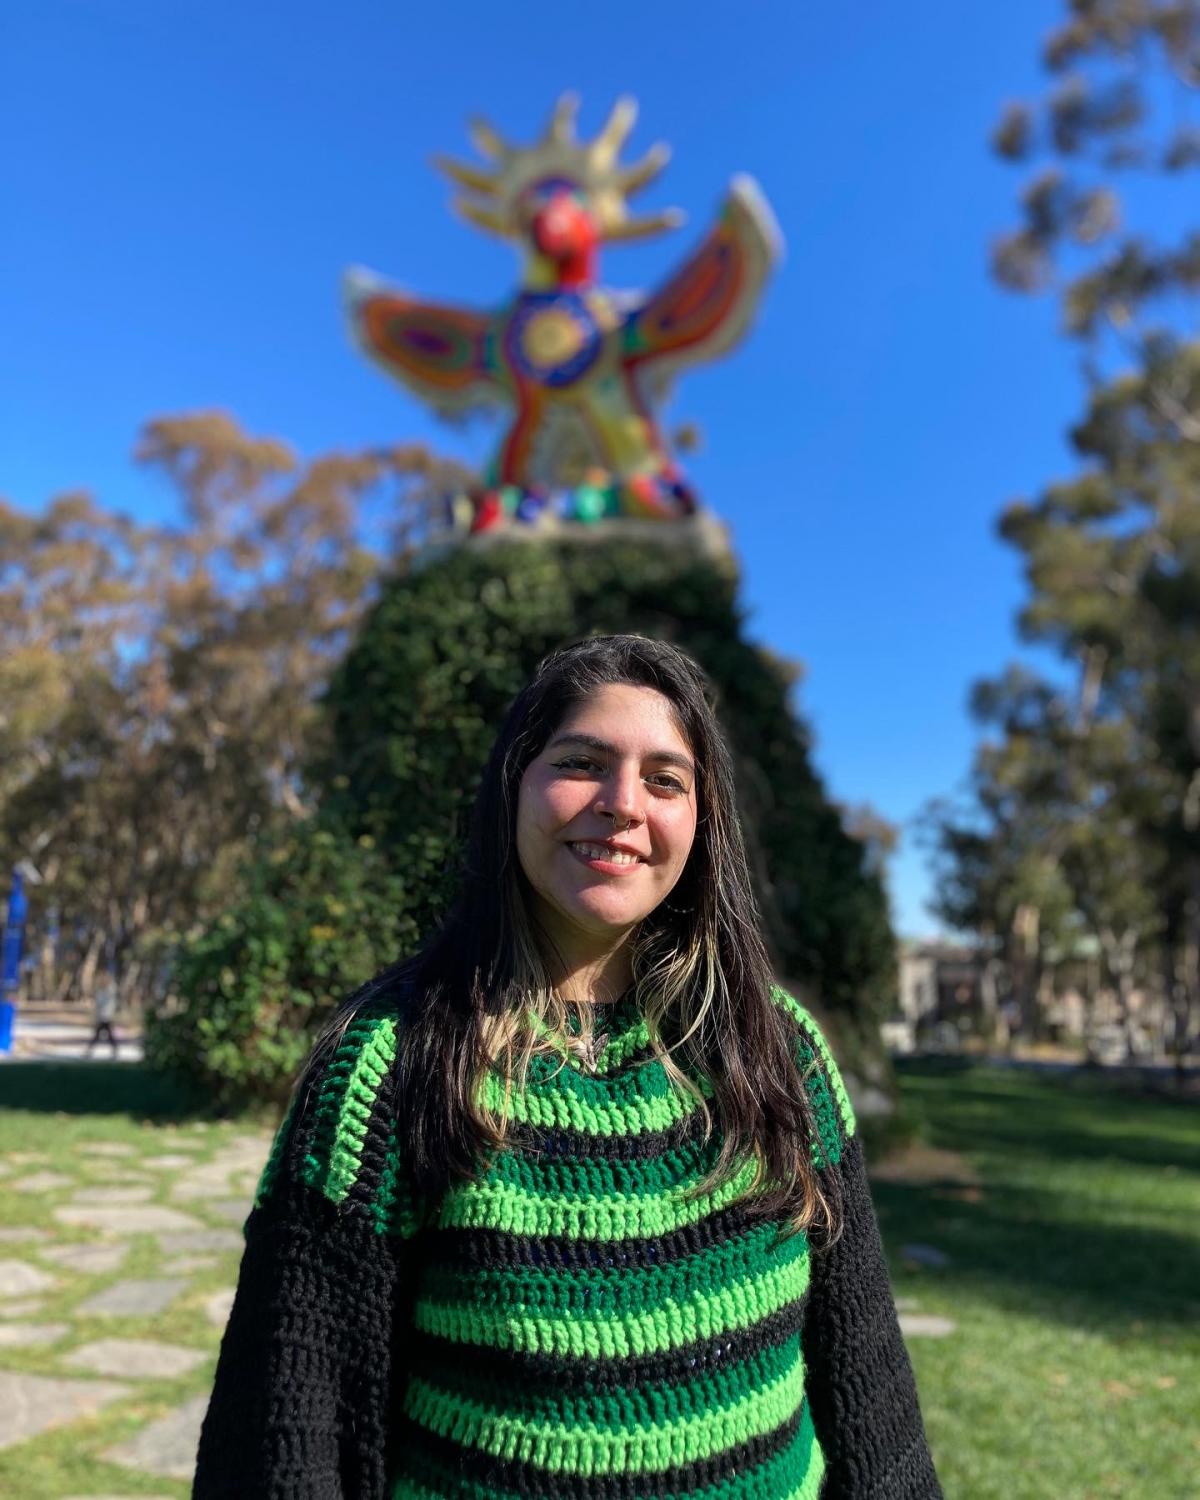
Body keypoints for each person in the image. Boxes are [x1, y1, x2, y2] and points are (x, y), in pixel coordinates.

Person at [193, 634, 941, 1499]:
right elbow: (283, 1428)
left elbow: (870, 1386)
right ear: (514, 785)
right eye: (582, 763)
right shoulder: (391, 1060)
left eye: (666, 779)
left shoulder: (779, 1050)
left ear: (703, 824)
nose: (623, 804)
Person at [86, 969, 119, 1059]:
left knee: (103, 1036)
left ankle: (89, 1051)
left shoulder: (110, 990)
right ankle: (90, 1051)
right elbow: (98, 1004)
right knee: (101, 1036)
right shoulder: (101, 990)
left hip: (106, 1016)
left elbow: (106, 1003)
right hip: (101, 1016)